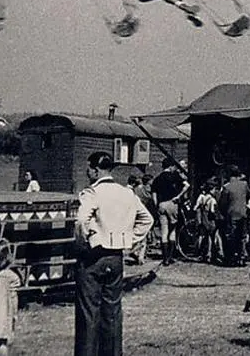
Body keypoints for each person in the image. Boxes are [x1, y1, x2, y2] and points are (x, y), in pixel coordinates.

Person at [73, 151, 155, 356]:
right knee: (113, 312)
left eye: (89, 169)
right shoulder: (127, 193)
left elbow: (82, 220)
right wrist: (128, 239)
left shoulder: (92, 193)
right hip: (116, 256)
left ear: (95, 169)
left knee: (88, 313)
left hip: (93, 256)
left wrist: (86, 242)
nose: (88, 172)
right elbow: (147, 220)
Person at [150, 157, 187, 265]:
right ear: (170, 166)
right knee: (173, 231)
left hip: (161, 205)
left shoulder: (157, 179)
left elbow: (154, 195)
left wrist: (157, 205)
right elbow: (187, 185)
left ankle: (165, 258)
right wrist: (179, 196)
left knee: (164, 232)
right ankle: (170, 257)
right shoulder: (174, 176)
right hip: (172, 203)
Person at [217, 166, 250, 267]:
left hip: (231, 214)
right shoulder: (244, 185)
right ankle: (242, 257)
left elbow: (222, 203)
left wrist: (224, 212)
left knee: (231, 236)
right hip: (243, 213)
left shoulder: (227, 187)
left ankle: (231, 258)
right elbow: (249, 196)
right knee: (242, 236)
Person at [194, 177, 223, 264]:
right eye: (214, 189)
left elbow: (196, 207)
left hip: (204, 219)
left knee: (203, 236)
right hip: (211, 221)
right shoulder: (212, 200)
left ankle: (200, 252)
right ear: (211, 189)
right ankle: (213, 254)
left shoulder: (202, 197)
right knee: (214, 237)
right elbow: (212, 211)